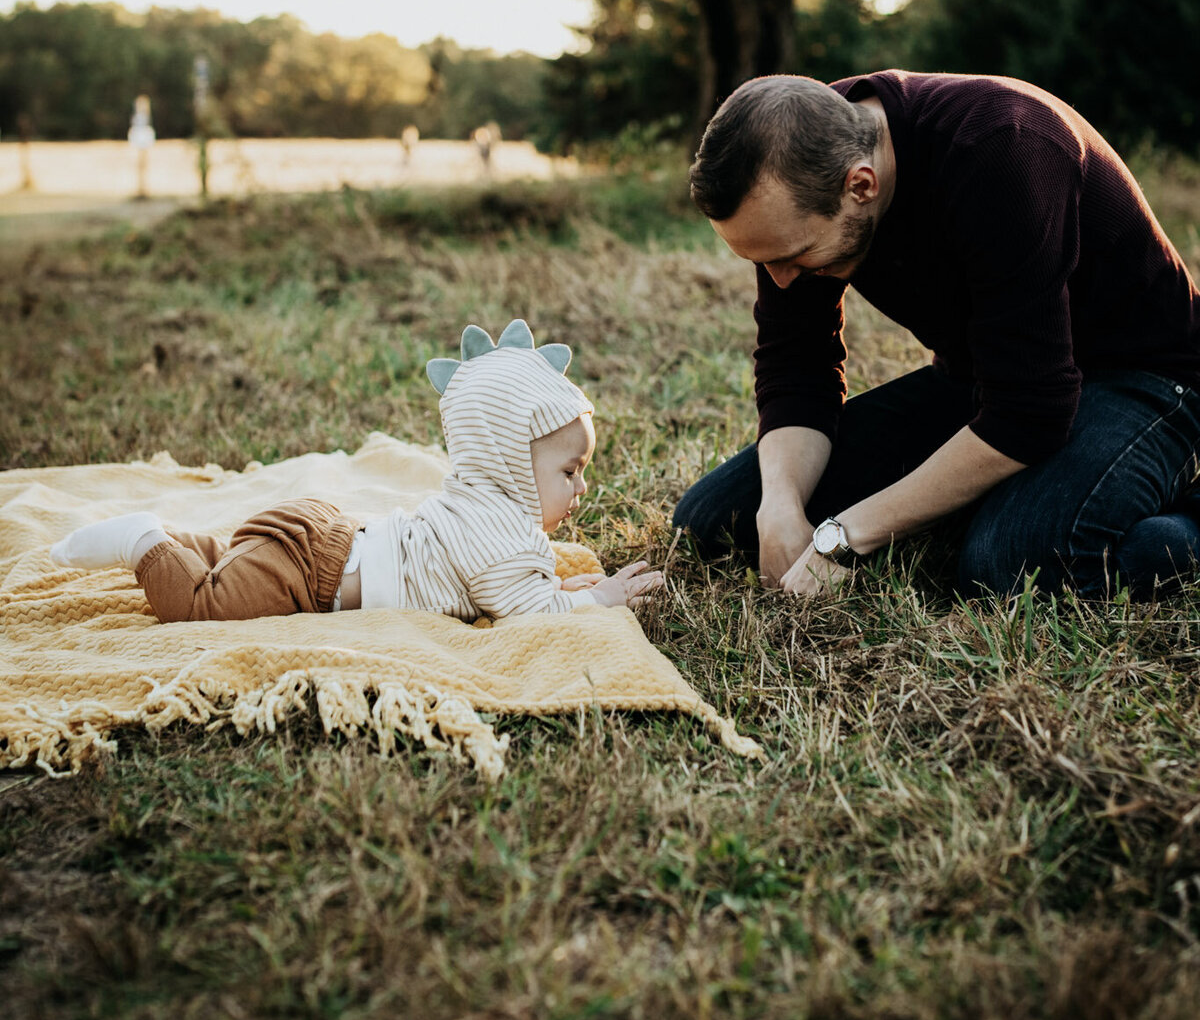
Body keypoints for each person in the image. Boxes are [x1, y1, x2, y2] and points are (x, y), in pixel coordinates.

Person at [673, 72, 1200, 602]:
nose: (780, 280)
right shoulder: (798, 158)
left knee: (1010, 567)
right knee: (716, 521)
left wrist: (844, 535)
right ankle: (1000, 500)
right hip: (984, 381)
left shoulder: (1004, 144)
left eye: (791, 257)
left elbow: (1031, 411)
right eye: (763, 262)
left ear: (861, 185)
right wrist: (782, 507)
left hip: (1145, 380)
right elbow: (797, 365)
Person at [51, 320, 663, 622]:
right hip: (310, 576)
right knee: (202, 608)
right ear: (507, 460)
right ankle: (146, 543)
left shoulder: (486, 506)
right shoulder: (498, 533)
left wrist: (566, 589)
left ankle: (192, 543)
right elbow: (531, 617)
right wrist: (602, 597)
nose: (582, 486)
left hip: (323, 537)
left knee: (230, 555)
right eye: (570, 471)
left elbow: (524, 591)